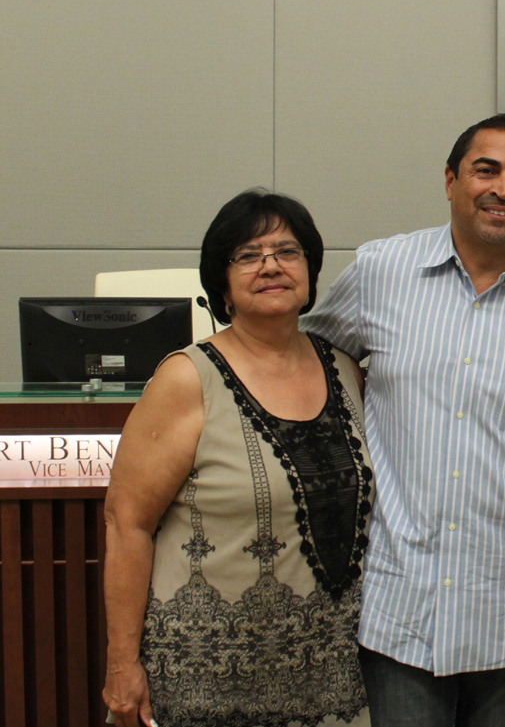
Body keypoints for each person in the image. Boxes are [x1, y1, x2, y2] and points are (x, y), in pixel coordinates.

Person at [302, 115, 505, 727]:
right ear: (452, 181)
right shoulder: (381, 273)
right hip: (401, 607)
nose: (503, 188)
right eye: (486, 169)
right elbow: (304, 363)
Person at [102, 190, 373, 727]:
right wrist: (120, 664)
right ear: (221, 285)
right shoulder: (186, 378)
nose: (270, 265)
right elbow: (125, 523)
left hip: (332, 678)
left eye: (287, 251)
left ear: (311, 272)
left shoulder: (345, 370)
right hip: (205, 678)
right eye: (248, 255)